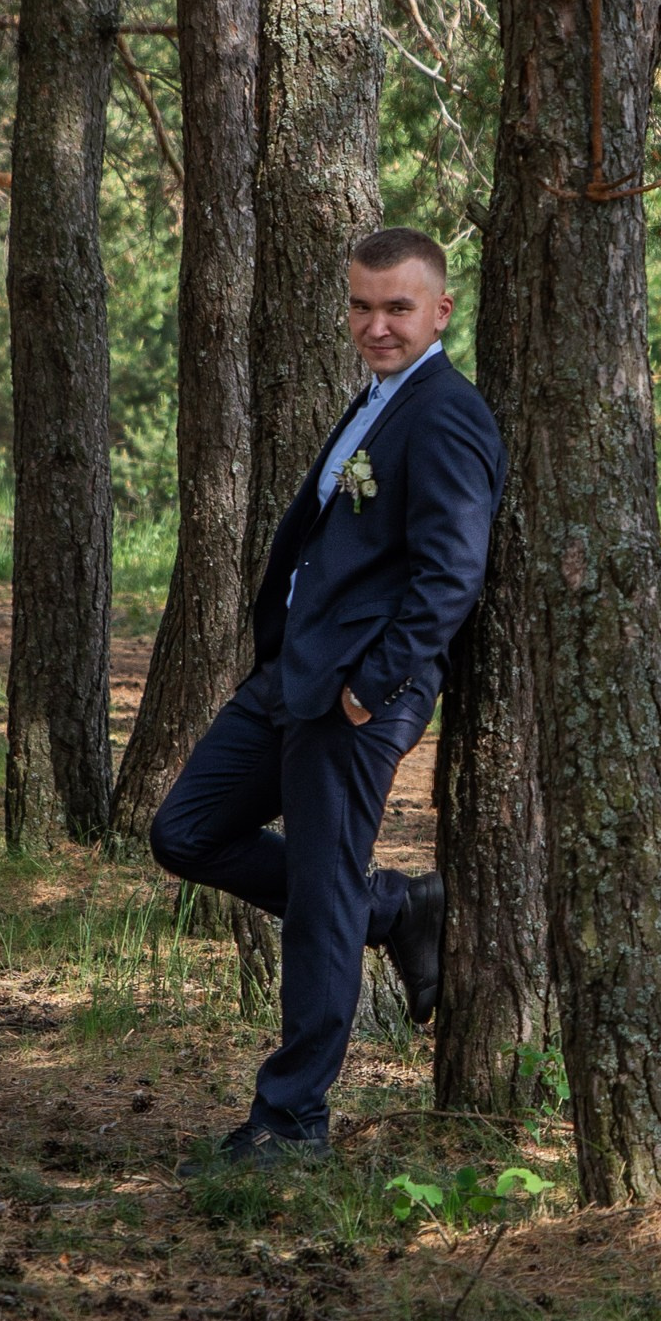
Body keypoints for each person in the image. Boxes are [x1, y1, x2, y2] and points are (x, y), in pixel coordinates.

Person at [149, 226, 505, 1165]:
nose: (377, 324)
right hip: (292, 679)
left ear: (440, 310)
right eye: (362, 305)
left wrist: (368, 689)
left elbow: (451, 574)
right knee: (184, 832)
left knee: (316, 903)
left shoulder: (446, 413)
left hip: (353, 694)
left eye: (397, 307)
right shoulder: (379, 399)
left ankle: (293, 1122)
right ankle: (389, 911)